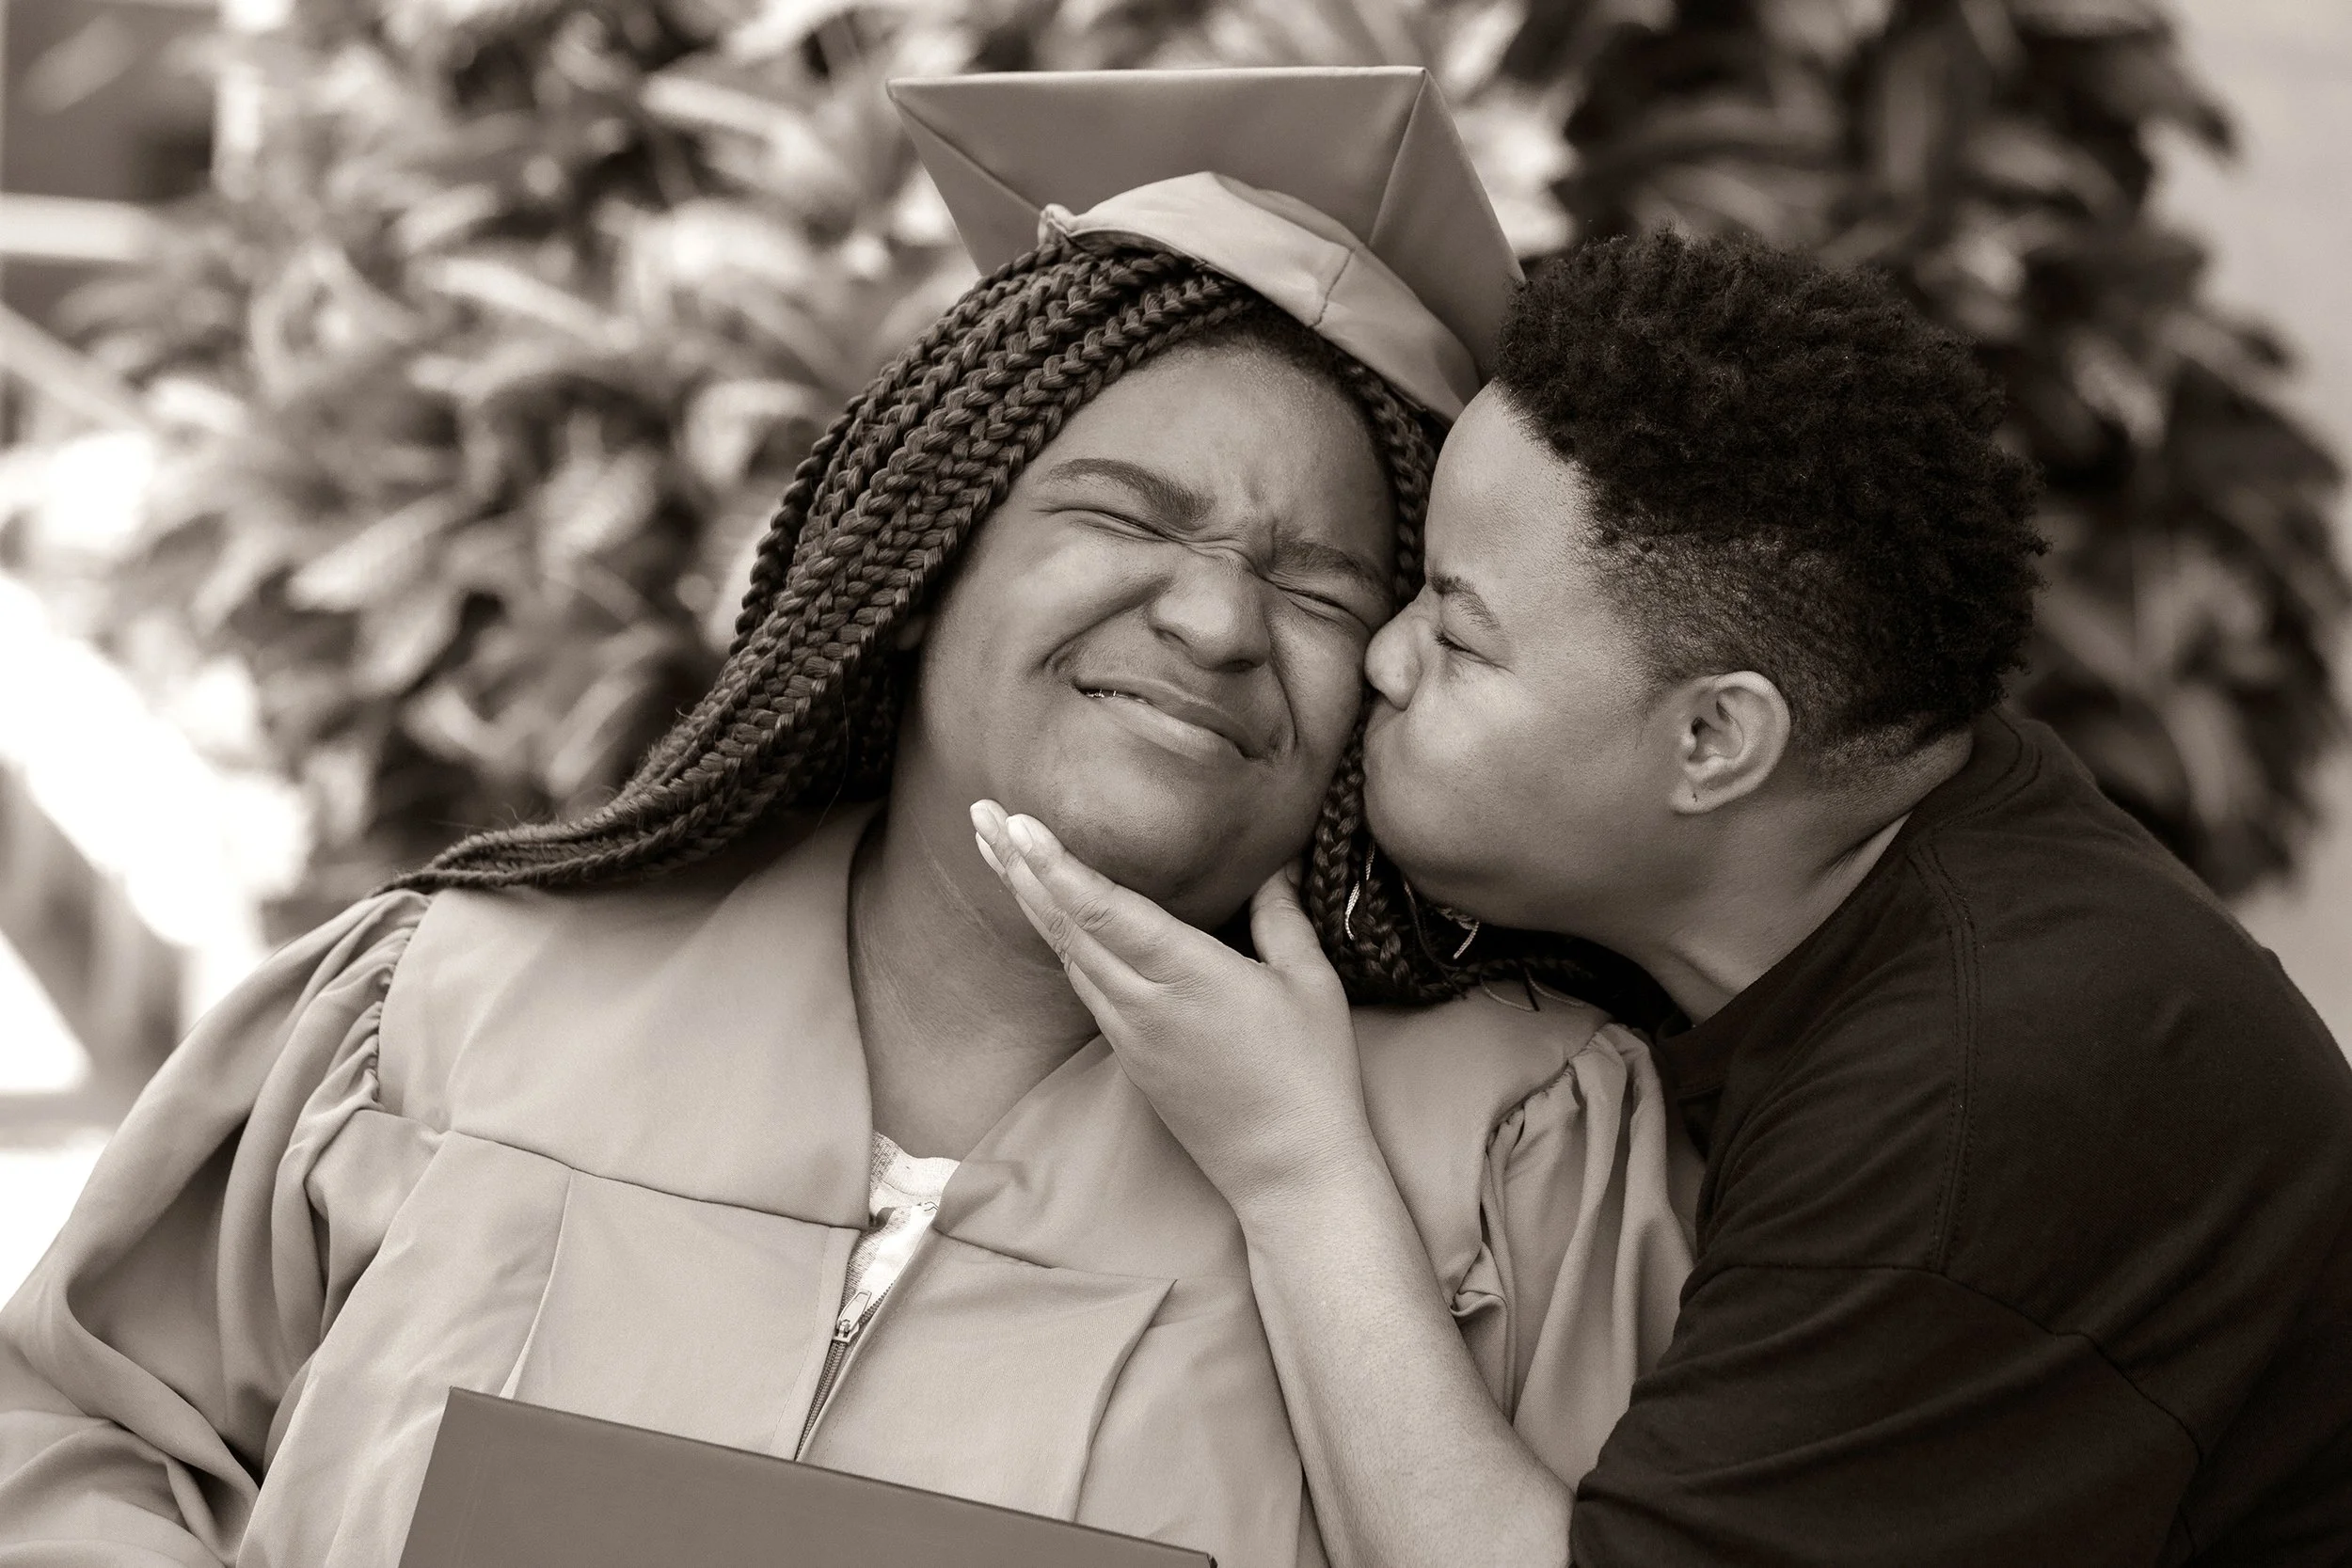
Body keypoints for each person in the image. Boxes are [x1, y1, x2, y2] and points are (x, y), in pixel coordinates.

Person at [0, 71, 1697, 1568]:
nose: (1215, 620)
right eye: (1126, 515)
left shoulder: (1510, 1152)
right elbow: (75, 1429)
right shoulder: (457, 1002)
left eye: (1321, 585)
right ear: (917, 554)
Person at [978, 231, 2352, 1567]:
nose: (1385, 658)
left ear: (1714, 743)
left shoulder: (1977, 1114)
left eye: (1455, 633)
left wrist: (1293, 1162)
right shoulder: (1885, 822)